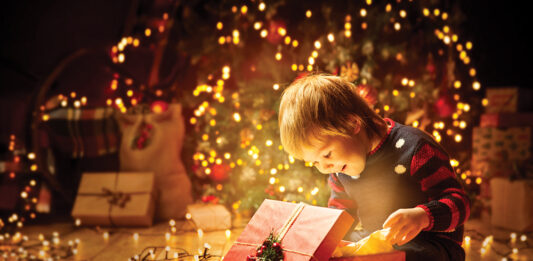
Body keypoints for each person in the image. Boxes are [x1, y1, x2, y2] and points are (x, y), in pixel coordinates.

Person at [278, 74, 470, 261]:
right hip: (376, 240)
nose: (324, 168)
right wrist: (326, 241)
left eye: (327, 154)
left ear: (352, 124)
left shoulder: (415, 149)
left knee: (408, 255)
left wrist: (422, 216)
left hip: (430, 244)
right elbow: (341, 214)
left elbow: (460, 203)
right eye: (315, 162)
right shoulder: (340, 171)